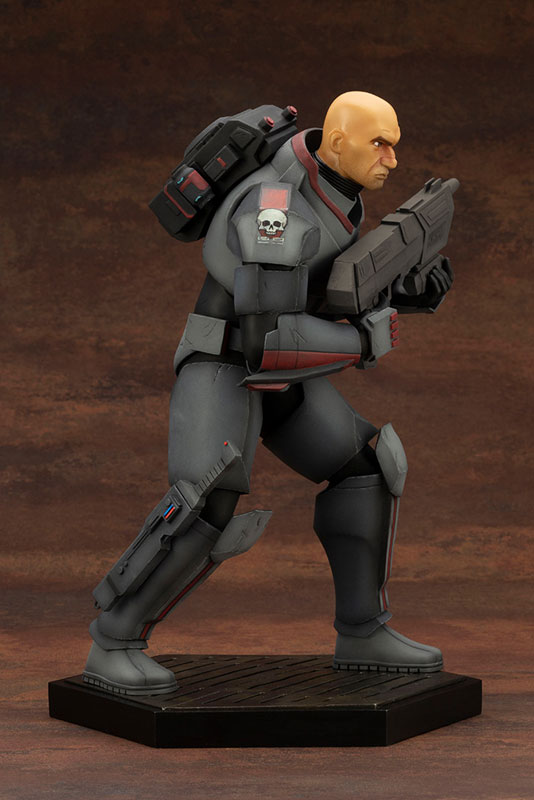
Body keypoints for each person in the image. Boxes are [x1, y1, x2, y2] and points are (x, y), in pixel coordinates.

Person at [83, 91, 454, 695]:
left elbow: (323, 286)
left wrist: (408, 290)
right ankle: (113, 640)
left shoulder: (336, 186)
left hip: (279, 376)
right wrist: (362, 341)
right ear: (338, 143)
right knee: (207, 499)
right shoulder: (274, 207)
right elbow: (268, 339)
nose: (391, 159)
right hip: (224, 362)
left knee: (367, 470)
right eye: (379, 145)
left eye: (394, 145)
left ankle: (363, 631)